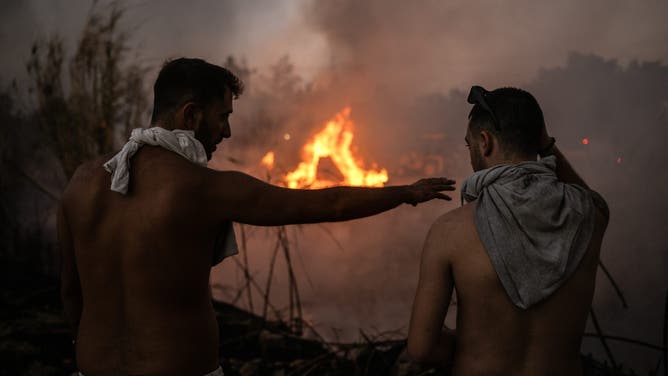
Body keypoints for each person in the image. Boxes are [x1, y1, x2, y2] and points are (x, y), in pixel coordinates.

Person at [57, 57, 456, 375]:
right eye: (223, 117)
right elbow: (326, 205)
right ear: (191, 115)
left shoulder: (81, 184)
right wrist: (405, 193)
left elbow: (71, 292)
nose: (227, 133)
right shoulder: (203, 188)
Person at [407, 86, 609, 375]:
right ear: (538, 140)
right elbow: (591, 199)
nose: (470, 154)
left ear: (484, 141)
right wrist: (546, 145)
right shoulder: (589, 217)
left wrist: (475, 347)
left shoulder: (449, 231)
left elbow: (420, 349)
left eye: (469, 145)